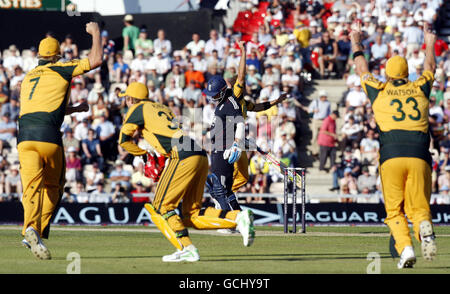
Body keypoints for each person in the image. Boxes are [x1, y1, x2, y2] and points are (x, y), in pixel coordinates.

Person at [118, 82, 255, 262]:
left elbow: (123, 140)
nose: (125, 102)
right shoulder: (161, 107)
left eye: (126, 99)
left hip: (182, 155)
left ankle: (186, 248)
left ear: (130, 99)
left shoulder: (137, 108)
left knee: (160, 206)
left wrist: (143, 155)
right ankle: (239, 217)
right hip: (199, 153)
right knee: (191, 215)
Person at [351, 21, 437, 268]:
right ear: (407, 72)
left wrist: (357, 40)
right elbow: (430, 66)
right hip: (420, 154)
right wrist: (429, 42)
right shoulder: (420, 88)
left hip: (391, 155)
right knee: (419, 207)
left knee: (394, 211)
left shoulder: (379, 90)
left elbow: (361, 66)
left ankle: (406, 248)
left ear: (387, 74)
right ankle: (424, 230)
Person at [18, 22, 102, 260]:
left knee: (31, 188)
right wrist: (95, 32)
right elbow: (95, 60)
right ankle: (36, 229)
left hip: (24, 137)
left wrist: (74, 109)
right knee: (53, 188)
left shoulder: (28, 77)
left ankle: (30, 230)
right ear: (56, 56)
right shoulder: (62, 68)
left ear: (38, 56)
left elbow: (44, 107)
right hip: (48, 137)